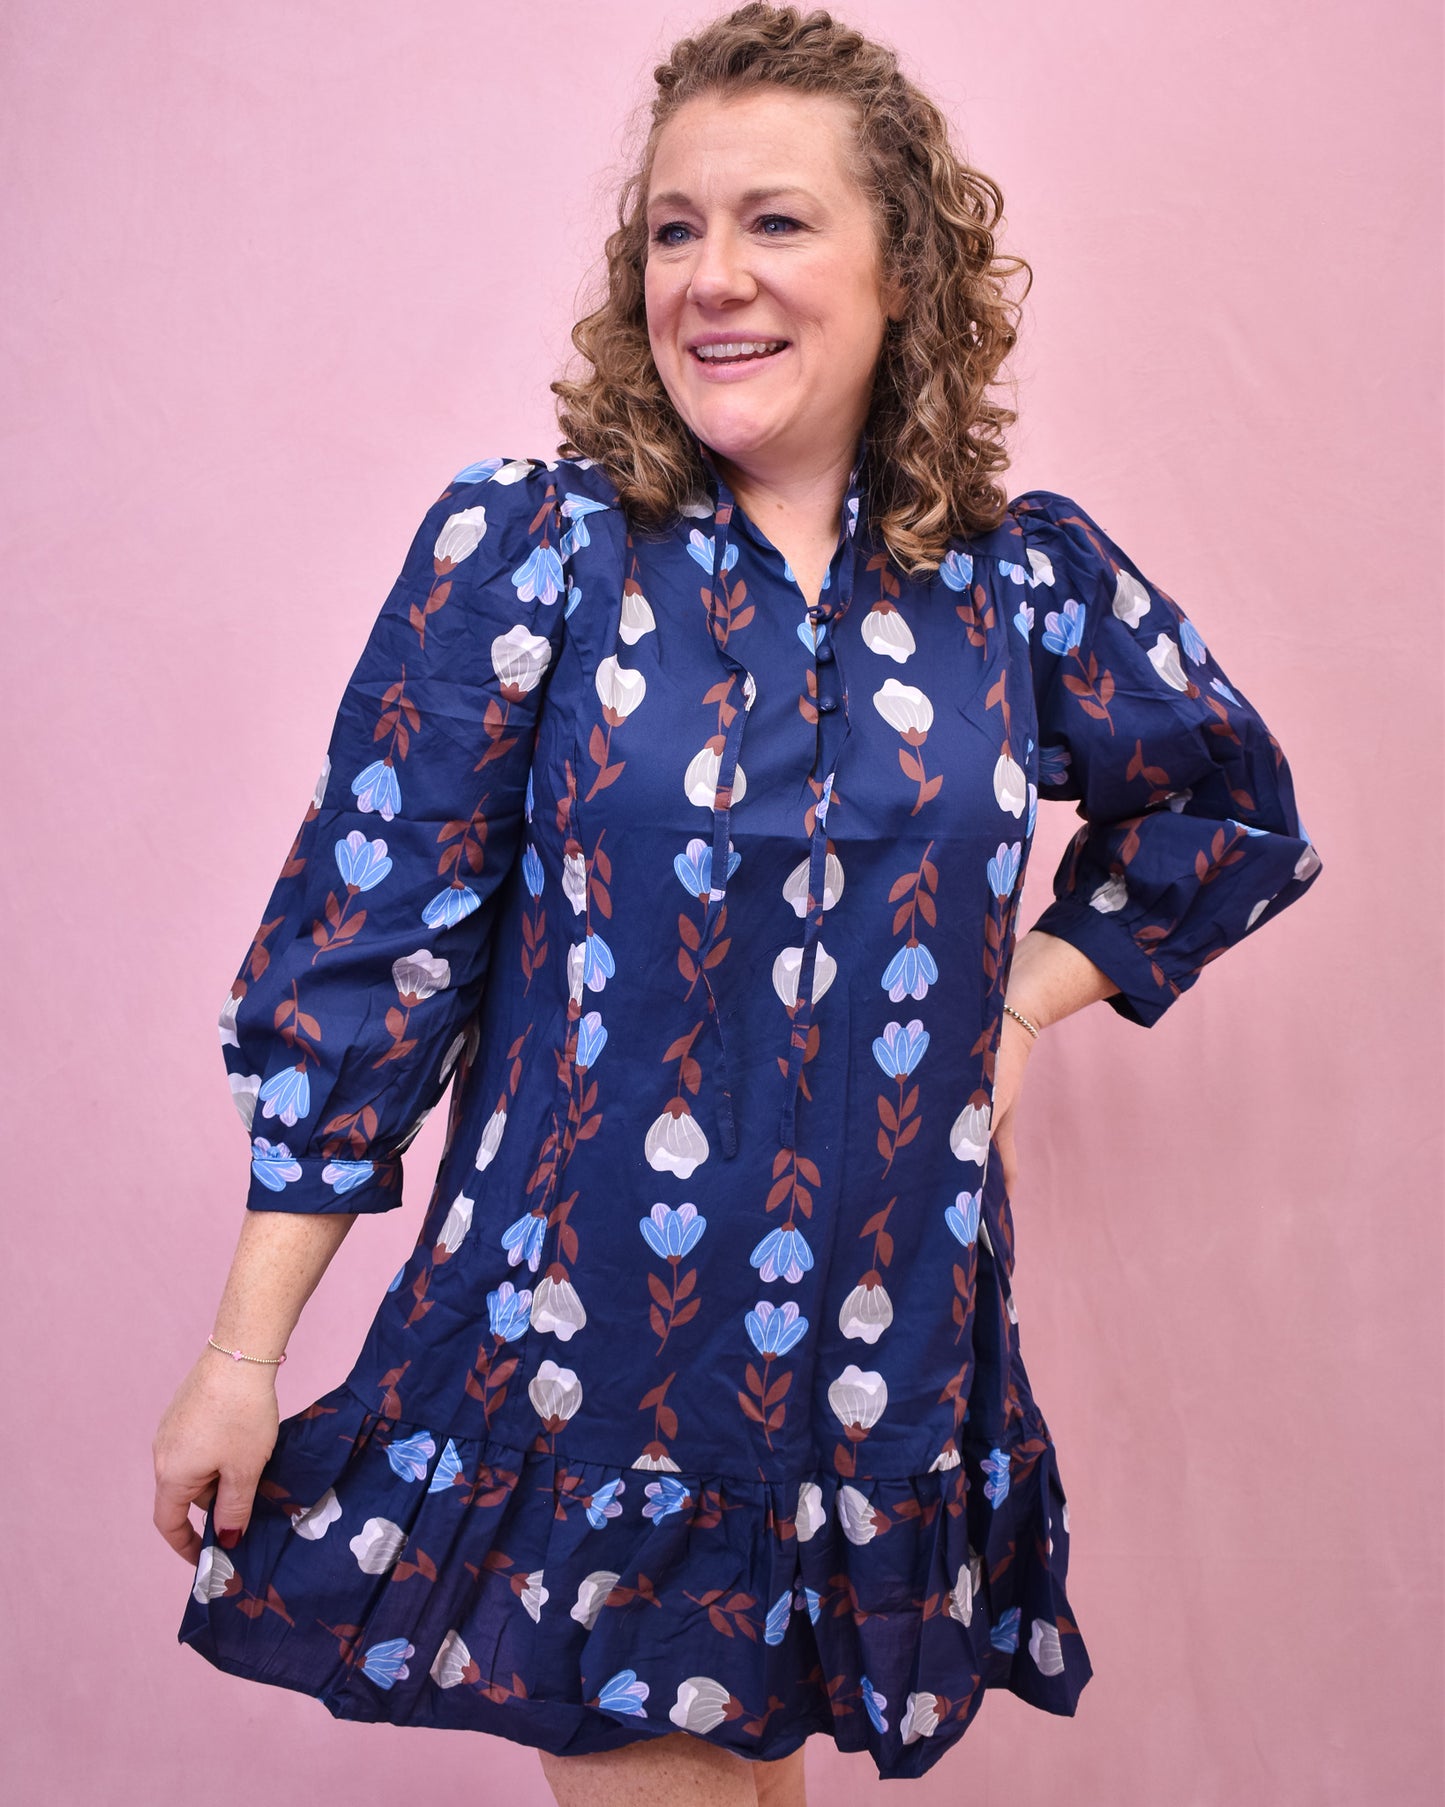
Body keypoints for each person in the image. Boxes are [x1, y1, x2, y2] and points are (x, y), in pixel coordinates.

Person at [152, 4, 1324, 1799]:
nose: (711, 278)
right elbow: (365, 957)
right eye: (673, 230)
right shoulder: (534, 550)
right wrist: (246, 1353)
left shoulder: (1015, 585)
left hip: (881, 1364)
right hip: (590, 1379)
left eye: (774, 221)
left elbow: (1224, 810)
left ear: (901, 269)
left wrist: (1022, 1003)